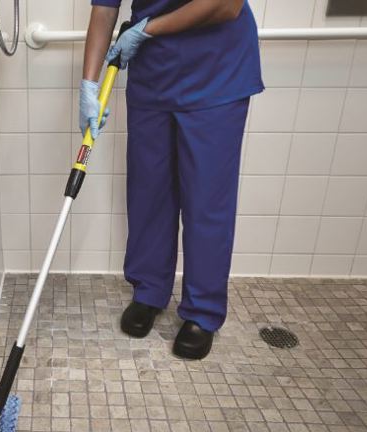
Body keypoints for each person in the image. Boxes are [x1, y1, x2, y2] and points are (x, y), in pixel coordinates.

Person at [80, 0, 264, 359]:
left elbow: (226, 6)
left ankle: (202, 312)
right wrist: (88, 85)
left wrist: (148, 28)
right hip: (154, 75)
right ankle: (149, 291)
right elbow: (104, 9)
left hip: (217, 72)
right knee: (149, 191)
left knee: (207, 199)